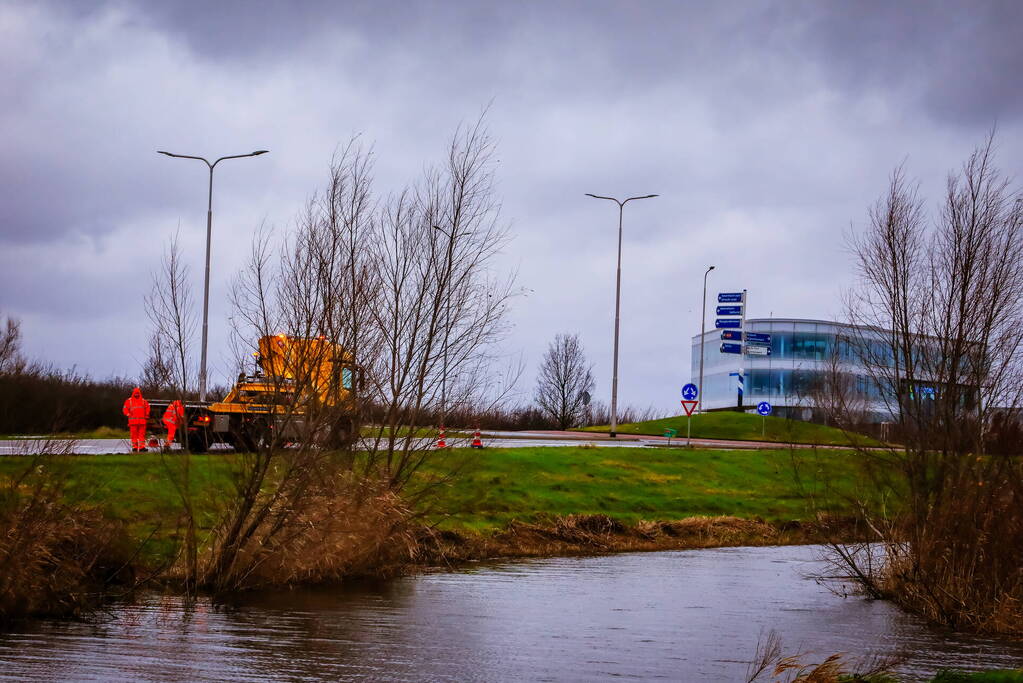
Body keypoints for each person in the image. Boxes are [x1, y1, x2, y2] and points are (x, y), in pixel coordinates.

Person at [122, 387, 150, 452]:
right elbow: (124, 409)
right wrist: (128, 414)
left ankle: (141, 447)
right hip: (133, 422)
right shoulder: (129, 401)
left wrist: (147, 414)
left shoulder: (143, 401)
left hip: (141, 422)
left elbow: (148, 408)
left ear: (139, 393)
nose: (136, 394)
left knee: (142, 435)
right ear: (133, 393)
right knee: (133, 436)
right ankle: (135, 447)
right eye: (135, 393)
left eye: (137, 393)